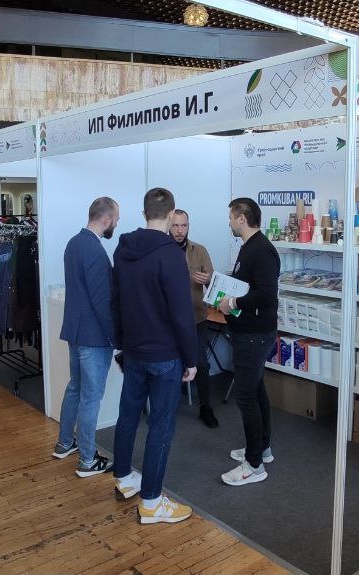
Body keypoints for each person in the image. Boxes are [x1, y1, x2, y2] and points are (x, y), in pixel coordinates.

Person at [111, 187, 197, 524]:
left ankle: (123, 477)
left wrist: (121, 342)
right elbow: (181, 313)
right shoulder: (170, 254)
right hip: (164, 355)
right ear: (172, 214)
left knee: (128, 415)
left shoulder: (123, 247)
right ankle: (151, 503)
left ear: (144, 212)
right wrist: (191, 359)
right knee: (161, 426)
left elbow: (116, 300)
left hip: (133, 350)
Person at [52, 197, 120, 478]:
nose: (117, 223)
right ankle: (88, 460)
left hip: (76, 331)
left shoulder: (74, 243)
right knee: (91, 397)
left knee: (75, 388)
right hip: (93, 336)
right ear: (106, 219)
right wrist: (115, 337)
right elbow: (101, 300)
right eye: (116, 218)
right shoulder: (95, 250)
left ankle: (64, 443)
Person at [218, 197, 280, 486]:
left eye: (231, 217)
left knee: (245, 396)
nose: (229, 221)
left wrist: (233, 302)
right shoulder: (249, 247)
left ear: (242, 218)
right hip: (249, 332)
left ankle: (254, 465)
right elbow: (248, 285)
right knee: (255, 390)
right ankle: (262, 448)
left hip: (254, 335)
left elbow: (266, 294)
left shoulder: (262, 250)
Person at [170, 209, 218, 428]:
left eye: (184, 225)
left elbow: (214, 285)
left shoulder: (199, 250)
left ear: (189, 226)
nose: (180, 230)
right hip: (169, 321)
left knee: (201, 363)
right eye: (176, 225)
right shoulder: (162, 251)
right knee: (169, 364)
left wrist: (207, 280)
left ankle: (205, 408)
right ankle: (166, 408)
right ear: (169, 225)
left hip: (196, 317)